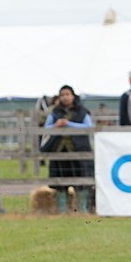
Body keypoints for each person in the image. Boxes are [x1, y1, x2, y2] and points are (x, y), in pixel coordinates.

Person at [42, 84, 93, 213]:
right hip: (59, 151)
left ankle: (83, 210)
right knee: (60, 184)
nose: (65, 97)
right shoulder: (55, 112)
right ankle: (62, 211)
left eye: (67, 94)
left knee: (82, 182)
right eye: (62, 95)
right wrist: (56, 125)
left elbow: (88, 127)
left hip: (79, 151)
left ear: (73, 96)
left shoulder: (82, 111)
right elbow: (46, 128)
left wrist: (69, 124)